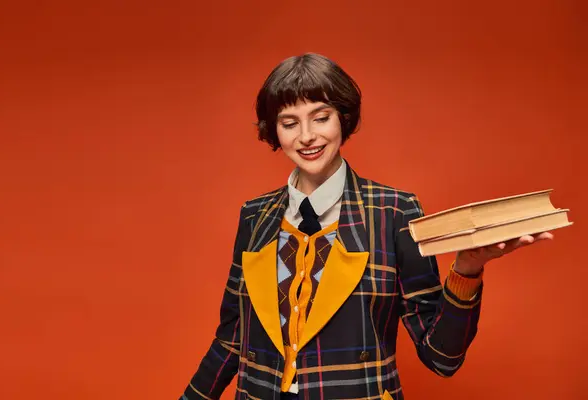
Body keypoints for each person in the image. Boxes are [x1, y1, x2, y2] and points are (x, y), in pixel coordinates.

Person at [180, 53, 553, 400]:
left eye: (320, 117)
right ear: (274, 131)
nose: (307, 136)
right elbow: (231, 339)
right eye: (289, 123)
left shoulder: (395, 212)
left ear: (343, 118)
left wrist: (467, 270)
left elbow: (441, 357)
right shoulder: (255, 215)